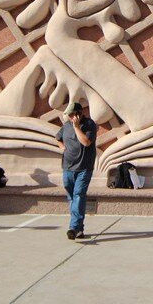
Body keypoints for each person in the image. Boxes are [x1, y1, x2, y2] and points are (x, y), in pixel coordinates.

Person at [53, 102, 97, 240]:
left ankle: (73, 227)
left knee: (78, 195)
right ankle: (79, 229)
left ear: (80, 113)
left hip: (84, 167)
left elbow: (86, 142)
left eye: (73, 114)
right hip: (67, 167)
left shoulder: (89, 125)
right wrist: (62, 147)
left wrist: (77, 127)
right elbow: (57, 137)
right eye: (69, 115)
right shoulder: (65, 126)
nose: (71, 117)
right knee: (72, 198)